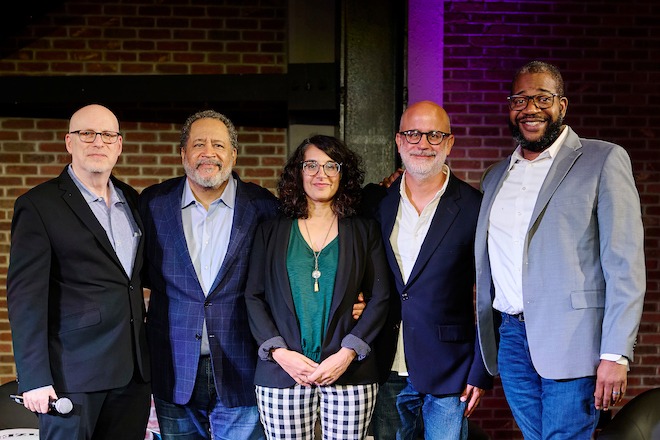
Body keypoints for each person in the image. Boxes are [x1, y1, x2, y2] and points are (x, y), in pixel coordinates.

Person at [475, 60, 646, 439]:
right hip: (512, 339)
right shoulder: (495, 176)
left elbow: (625, 265)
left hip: (575, 341)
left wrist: (615, 354)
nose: (530, 108)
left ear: (562, 106)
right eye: (520, 99)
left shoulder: (603, 160)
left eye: (542, 98)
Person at [7, 104, 151, 440]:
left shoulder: (132, 200)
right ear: (69, 142)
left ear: (118, 144)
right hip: (72, 377)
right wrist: (34, 379)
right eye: (87, 133)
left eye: (107, 135)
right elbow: (25, 299)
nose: (97, 142)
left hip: (133, 377)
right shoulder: (39, 205)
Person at [139, 110, 278, 439]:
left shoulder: (264, 208)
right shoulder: (153, 203)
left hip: (242, 363)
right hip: (173, 365)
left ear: (233, 153)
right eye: (198, 144)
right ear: (183, 153)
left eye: (218, 144)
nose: (208, 153)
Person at [244, 135, 391, 439]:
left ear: (343, 174)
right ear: (298, 172)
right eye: (310, 165)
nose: (320, 174)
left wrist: (348, 353)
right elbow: (253, 296)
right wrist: (279, 352)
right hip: (283, 372)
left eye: (330, 166)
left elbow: (380, 297)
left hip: (349, 372)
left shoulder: (365, 231)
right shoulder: (270, 232)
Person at [363, 101, 492, 440]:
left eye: (435, 135)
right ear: (399, 141)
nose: (423, 143)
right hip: (386, 360)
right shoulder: (376, 203)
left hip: (450, 368)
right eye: (413, 133)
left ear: (449, 143)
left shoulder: (474, 207)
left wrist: (481, 370)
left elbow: (491, 293)